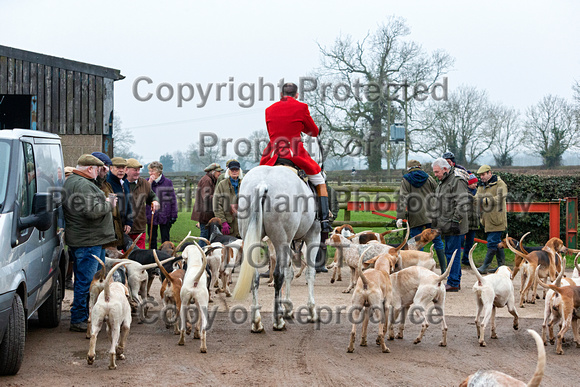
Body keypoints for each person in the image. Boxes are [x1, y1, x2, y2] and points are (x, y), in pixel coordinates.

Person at [259, 82, 332, 233]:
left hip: (272, 154)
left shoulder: (269, 110)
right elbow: (313, 131)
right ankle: (325, 221)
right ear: (297, 95)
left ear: (281, 94)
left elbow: (272, 132)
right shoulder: (301, 107)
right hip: (294, 153)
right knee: (320, 181)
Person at [63, 154, 116, 332]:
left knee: (85, 280)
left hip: (86, 239)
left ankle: (84, 315)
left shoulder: (75, 181)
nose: (99, 172)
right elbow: (91, 212)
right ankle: (78, 318)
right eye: (97, 169)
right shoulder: (83, 185)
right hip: (88, 241)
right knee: (86, 281)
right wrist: (109, 203)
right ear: (90, 169)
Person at [396, 160, 446, 270]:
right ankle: (443, 269)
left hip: (415, 215)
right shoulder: (428, 177)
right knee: (437, 241)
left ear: (409, 168)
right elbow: (438, 192)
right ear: (419, 166)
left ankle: (420, 270)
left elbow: (402, 198)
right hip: (432, 213)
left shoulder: (406, 179)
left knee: (416, 242)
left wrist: (400, 216)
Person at [431, 158, 469, 292]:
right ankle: (455, 280)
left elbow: (462, 202)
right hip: (445, 223)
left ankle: (453, 282)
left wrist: (455, 220)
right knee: (451, 252)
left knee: (453, 253)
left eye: (437, 172)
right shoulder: (443, 182)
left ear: (445, 169)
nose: (435, 174)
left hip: (454, 224)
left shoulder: (456, 181)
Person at [475, 165, 508, 274]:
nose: (481, 177)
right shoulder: (481, 186)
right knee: (497, 242)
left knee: (492, 242)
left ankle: (484, 266)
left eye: (483, 174)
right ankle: (501, 267)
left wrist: (483, 201)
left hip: (497, 219)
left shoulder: (500, 184)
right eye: (480, 175)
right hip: (486, 219)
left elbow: (500, 198)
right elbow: (476, 197)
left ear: (490, 173)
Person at [126, 158, 160, 249]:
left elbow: (152, 196)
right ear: (127, 170)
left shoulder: (144, 183)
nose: (137, 172)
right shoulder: (120, 183)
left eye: (138, 170)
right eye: (135, 170)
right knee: (123, 257)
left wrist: (155, 201)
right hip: (123, 229)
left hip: (139, 227)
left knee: (139, 256)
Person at [146, 161, 178, 250]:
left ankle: (166, 256)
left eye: (152, 171)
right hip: (151, 214)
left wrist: (174, 215)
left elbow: (173, 199)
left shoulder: (168, 182)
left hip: (165, 215)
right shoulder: (146, 182)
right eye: (149, 171)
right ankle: (153, 257)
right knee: (152, 238)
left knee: (165, 239)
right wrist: (150, 183)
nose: (150, 173)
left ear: (159, 172)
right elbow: (144, 194)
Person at [191, 163, 222, 247]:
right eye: (218, 171)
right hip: (204, 214)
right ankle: (201, 253)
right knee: (204, 236)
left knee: (206, 236)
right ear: (212, 172)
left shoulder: (211, 180)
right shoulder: (206, 180)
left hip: (206, 213)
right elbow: (206, 197)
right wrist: (220, 197)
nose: (220, 173)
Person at [315, 174, 340, 273]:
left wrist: (330, 218)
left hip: (325, 220)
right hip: (314, 220)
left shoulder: (329, 190)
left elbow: (334, 206)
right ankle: (313, 264)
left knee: (323, 243)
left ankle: (321, 264)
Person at [106, 157, 133, 249]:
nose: (121, 170)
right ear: (111, 168)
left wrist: (129, 222)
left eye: (123, 168)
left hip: (122, 225)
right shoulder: (107, 183)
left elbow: (129, 202)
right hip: (111, 226)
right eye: (118, 167)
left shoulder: (125, 182)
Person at [213, 160, 242, 238]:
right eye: (232, 170)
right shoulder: (222, 185)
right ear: (228, 171)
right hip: (229, 224)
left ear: (239, 171)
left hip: (243, 224)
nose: (234, 171)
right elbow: (216, 204)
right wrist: (223, 222)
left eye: (236, 170)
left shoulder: (244, 183)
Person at [461, 173, 480, 266]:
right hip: (465, 221)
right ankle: (458, 257)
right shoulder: (464, 193)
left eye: (476, 183)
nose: (475, 185)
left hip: (474, 221)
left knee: (469, 242)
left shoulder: (477, 192)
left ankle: (466, 259)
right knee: (460, 241)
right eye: (473, 183)